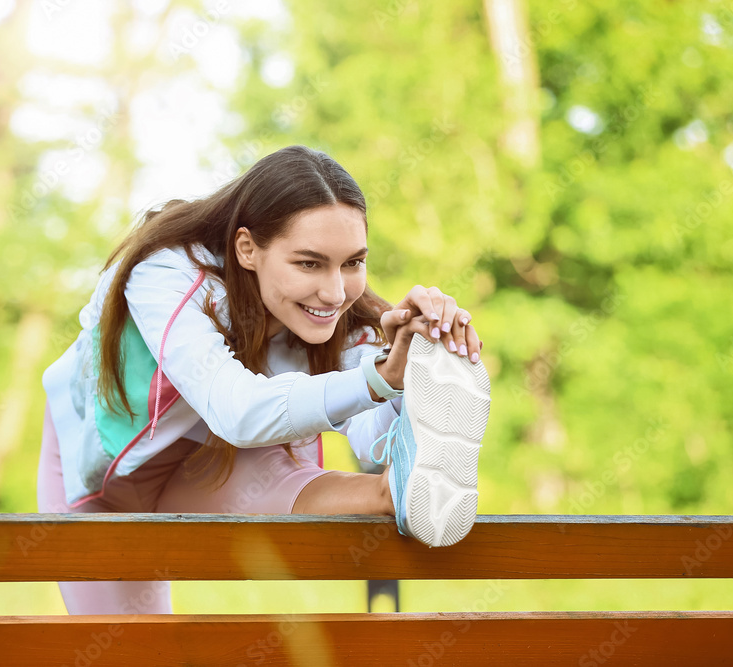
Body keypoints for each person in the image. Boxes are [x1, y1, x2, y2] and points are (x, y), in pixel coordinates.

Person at [36, 144, 491, 615]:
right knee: (128, 654)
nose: (335, 292)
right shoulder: (167, 273)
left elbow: (372, 439)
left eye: (353, 262)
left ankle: (394, 491)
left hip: (215, 469)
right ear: (248, 248)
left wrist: (413, 360)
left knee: (299, 473)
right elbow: (233, 409)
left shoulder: (344, 315)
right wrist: (377, 377)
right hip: (104, 481)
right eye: (309, 263)